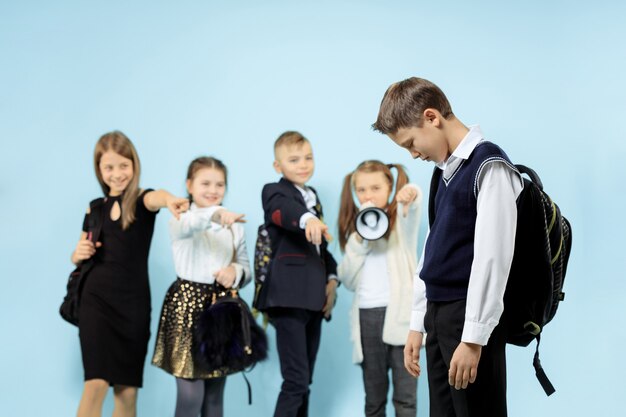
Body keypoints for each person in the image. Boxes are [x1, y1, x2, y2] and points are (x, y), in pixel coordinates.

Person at [372, 77, 524, 417]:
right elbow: (434, 249)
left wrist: (473, 339)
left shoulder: (490, 166)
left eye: (411, 143)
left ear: (431, 117)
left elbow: (492, 259)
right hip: (438, 317)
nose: (413, 154)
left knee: (477, 411)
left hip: (467, 317)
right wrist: (417, 322)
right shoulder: (444, 171)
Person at [70, 130, 189, 417]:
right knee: (95, 384)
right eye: (109, 167)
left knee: (126, 392)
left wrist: (170, 199)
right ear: (99, 169)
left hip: (133, 307)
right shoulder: (94, 208)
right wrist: (76, 255)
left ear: (134, 165)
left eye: (124, 165)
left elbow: (156, 197)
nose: (117, 173)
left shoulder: (141, 201)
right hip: (95, 302)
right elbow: (81, 252)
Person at [152, 156, 251, 417]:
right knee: (190, 397)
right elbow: (194, 223)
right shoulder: (181, 218)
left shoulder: (234, 226)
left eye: (220, 184)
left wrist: (235, 272)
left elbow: (245, 267)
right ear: (189, 185)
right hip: (186, 307)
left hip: (221, 308)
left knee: (215, 397)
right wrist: (217, 214)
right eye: (205, 183)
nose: (213, 190)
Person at [255, 131, 338, 417]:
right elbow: (282, 211)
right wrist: (307, 218)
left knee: (305, 381)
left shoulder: (313, 198)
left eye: (308, 157)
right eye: (293, 160)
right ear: (278, 167)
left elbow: (322, 251)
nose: (303, 164)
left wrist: (332, 280)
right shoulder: (274, 192)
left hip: (314, 300)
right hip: (288, 299)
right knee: (296, 380)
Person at [337, 160, 422, 417]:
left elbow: (413, 210)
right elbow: (347, 280)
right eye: (361, 190)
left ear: (389, 187)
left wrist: (410, 195)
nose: (368, 195)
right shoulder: (356, 236)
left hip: (402, 318)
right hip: (366, 318)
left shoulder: (401, 225)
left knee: (405, 398)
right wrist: (360, 240)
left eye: (375, 187)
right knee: (374, 399)